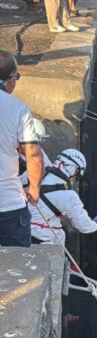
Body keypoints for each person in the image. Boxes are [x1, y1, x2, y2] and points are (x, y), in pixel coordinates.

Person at [0, 52, 43, 246]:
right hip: (8, 203)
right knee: (17, 267)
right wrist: (34, 188)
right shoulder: (18, 109)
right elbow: (33, 154)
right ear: (10, 80)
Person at [23, 148, 97, 245]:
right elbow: (84, 226)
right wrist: (95, 224)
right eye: (76, 176)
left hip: (20, 231)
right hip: (42, 240)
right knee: (60, 237)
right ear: (73, 169)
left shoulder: (37, 172)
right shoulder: (69, 196)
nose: (74, 180)